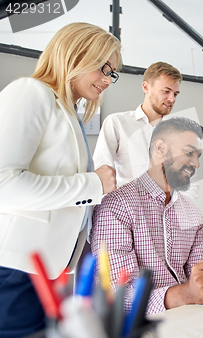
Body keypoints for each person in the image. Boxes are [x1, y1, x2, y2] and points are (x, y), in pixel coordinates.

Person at [0, 22, 120, 336]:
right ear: (75, 54)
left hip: (50, 272)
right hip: (15, 267)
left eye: (113, 73)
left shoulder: (69, 114)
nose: (107, 80)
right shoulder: (31, 93)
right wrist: (92, 184)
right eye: (104, 68)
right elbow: (4, 183)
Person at [91, 118, 203, 314]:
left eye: (198, 156)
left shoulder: (193, 213)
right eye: (189, 153)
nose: (195, 163)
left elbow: (201, 285)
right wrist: (185, 294)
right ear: (160, 148)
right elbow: (117, 296)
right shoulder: (117, 206)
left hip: (192, 320)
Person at [93, 61, 183, 188]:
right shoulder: (117, 123)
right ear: (146, 87)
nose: (172, 99)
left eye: (175, 94)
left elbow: (188, 180)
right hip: (126, 205)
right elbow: (102, 172)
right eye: (166, 91)